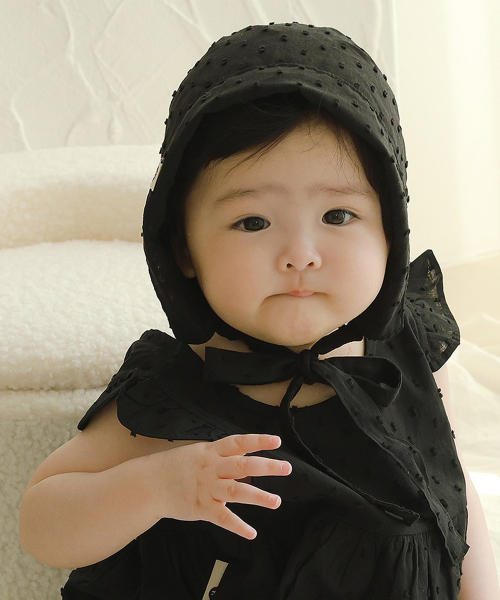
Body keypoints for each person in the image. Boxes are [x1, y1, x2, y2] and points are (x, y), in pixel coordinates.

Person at [19, 22, 499, 600]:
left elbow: (452, 491)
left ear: (391, 232)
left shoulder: (405, 352)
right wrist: (157, 486)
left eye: (338, 216)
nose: (300, 254)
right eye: (253, 222)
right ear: (183, 251)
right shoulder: (176, 395)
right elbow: (42, 523)